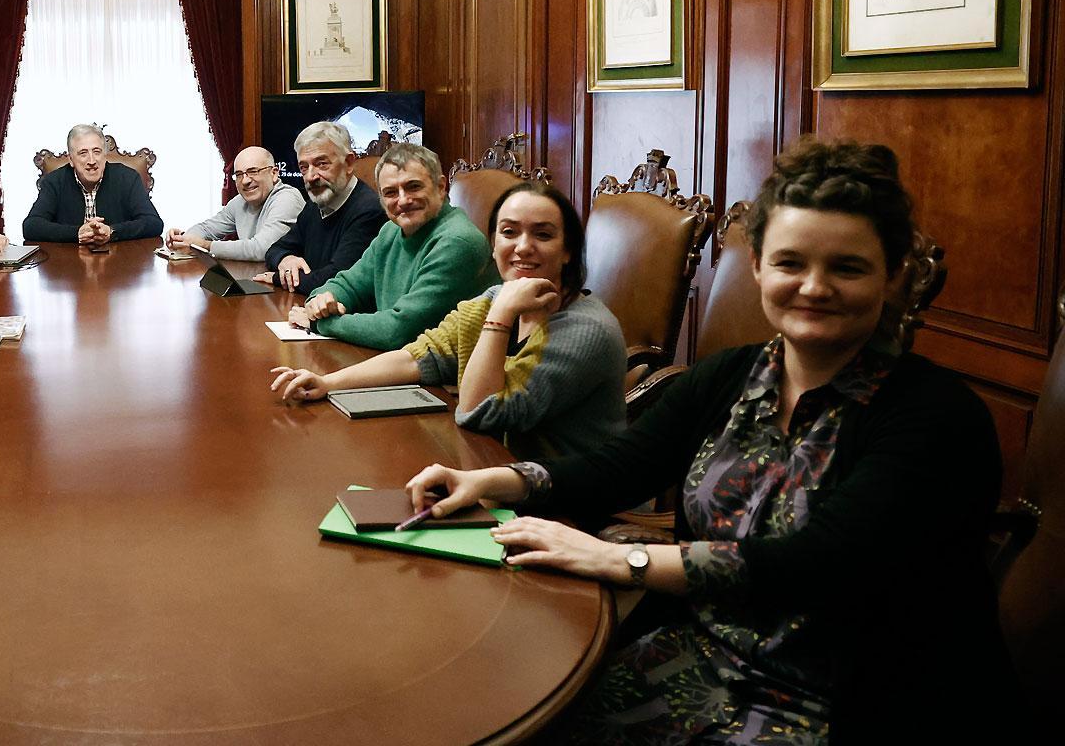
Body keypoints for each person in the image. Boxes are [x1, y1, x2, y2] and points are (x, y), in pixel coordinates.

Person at [403, 140, 1017, 742]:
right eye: (790, 263)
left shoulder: (937, 417)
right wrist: (496, 480)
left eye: (847, 267)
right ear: (757, 268)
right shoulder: (734, 375)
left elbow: (823, 561)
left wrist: (623, 560)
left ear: (895, 276)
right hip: (699, 655)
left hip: (847, 702)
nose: (813, 287)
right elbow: (623, 465)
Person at [270, 182, 625, 458]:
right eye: (509, 232)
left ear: (567, 251)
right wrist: (327, 382)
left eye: (543, 235)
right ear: (493, 241)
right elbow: (420, 354)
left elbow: (479, 413)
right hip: (491, 469)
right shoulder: (496, 299)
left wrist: (500, 316)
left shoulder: (583, 330)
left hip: (559, 507)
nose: (522, 247)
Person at [284, 142, 496, 350]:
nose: (403, 201)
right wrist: (319, 302)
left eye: (413, 187)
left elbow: (398, 331)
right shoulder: (391, 230)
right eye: (391, 192)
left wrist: (320, 322)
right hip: (397, 364)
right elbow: (349, 284)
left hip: (447, 379)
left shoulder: (458, 241)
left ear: (441, 187)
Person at [253, 121, 385, 294]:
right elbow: (275, 249)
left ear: (349, 163)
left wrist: (277, 277)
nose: (310, 176)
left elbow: (334, 280)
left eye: (322, 164)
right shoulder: (315, 204)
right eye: (304, 167)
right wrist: (286, 259)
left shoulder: (369, 210)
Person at [21, 122, 164, 247]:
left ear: (105, 155)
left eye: (97, 152)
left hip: (120, 264)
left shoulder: (127, 178)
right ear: (71, 159)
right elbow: (31, 226)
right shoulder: (54, 182)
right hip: (67, 267)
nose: (92, 161)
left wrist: (112, 231)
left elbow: (153, 223)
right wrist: (77, 233)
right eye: (83, 153)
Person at [165, 145, 303, 261]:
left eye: (253, 171)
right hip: (253, 278)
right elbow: (207, 229)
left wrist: (206, 245)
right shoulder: (240, 201)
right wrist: (183, 239)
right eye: (239, 175)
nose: (245, 181)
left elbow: (262, 249)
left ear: (274, 173)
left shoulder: (287, 198)